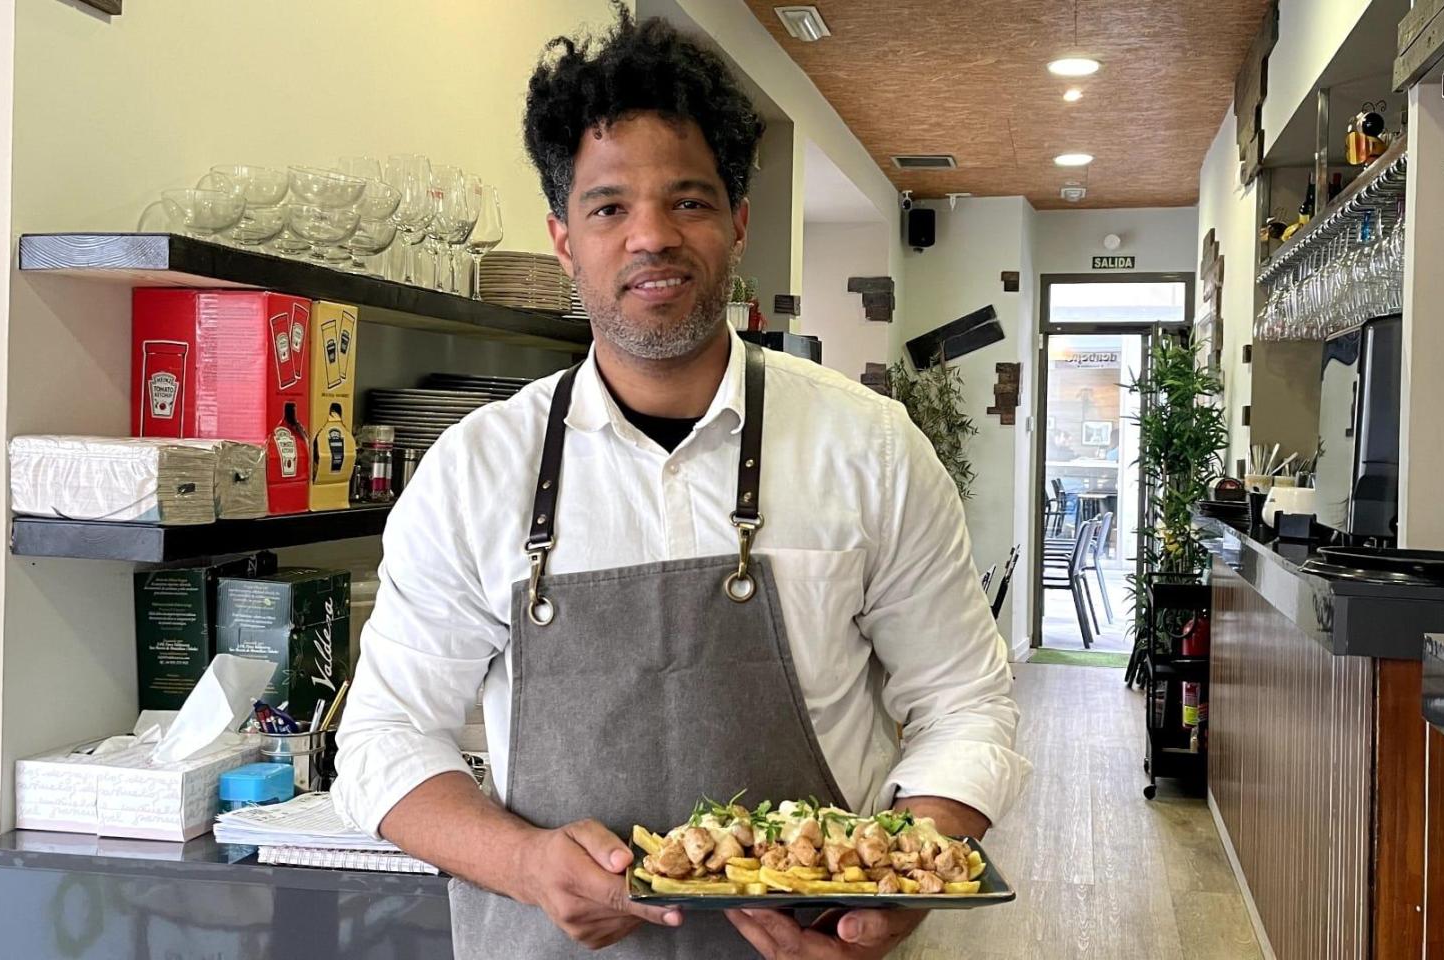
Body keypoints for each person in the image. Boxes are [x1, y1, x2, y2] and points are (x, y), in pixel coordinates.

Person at [333, 9, 1028, 959]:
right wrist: (528, 863)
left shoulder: (869, 448)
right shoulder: (473, 472)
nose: (651, 237)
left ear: (738, 223)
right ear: (563, 239)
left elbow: (964, 702)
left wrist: (911, 881)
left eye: (689, 201)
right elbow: (380, 739)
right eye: (609, 207)